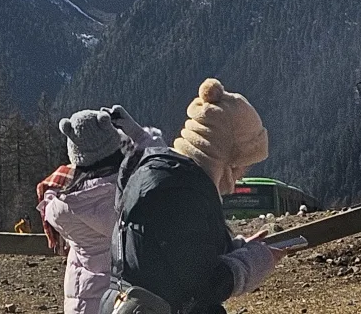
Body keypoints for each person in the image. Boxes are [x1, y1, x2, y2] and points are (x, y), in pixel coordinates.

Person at [105, 80, 286, 313]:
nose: (242, 175)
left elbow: (173, 259)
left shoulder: (168, 177)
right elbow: (203, 284)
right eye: (243, 165)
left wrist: (236, 248)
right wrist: (255, 262)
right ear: (225, 159)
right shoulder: (182, 193)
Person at [39, 108, 129, 314]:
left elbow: (48, 203)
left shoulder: (63, 206)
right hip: (124, 298)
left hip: (82, 299)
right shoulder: (129, 195)